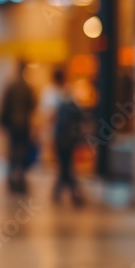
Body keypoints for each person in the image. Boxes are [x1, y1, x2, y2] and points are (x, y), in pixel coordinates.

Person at [0, 60, 37, 194]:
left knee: (13, 151)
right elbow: (32, 107)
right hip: (23, 125)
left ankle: (11, 178)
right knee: (22, 152)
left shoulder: (11, 86)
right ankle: (20, 178)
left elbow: (5, 106)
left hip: (13, 125)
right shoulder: (27, 88)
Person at [53, 72, 86, 206]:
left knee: (65, 167)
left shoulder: (61, 107)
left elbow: (57, 124)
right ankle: (72, 193)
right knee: (66, 167)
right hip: (69, 141)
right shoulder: (75, 108)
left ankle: (61, 192)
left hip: (61, 141)